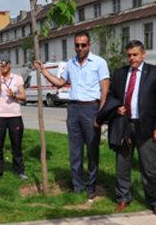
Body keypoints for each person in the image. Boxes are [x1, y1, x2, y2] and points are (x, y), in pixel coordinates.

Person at [33, 30, 110, 200]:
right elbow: (61, 82)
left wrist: (101, 113)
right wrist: (44, 71)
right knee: (75, 150)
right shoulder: (71, 63)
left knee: (92, 149)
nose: (80, 48)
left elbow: (105, 88)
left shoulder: (99, 63)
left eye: (83, 45)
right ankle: (77, 186)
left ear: (89, 45)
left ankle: (91, 186)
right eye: (77, 45)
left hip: (91, 107)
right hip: (73, 108)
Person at [109, 40, 156, 216]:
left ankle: (155, 200)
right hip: (124, 125)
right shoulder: (119, 73)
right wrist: (116, 107)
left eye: (135, 55)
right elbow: (112, 95)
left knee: (149, 167)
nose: (132, 58)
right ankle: (123, 198)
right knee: (123, 165)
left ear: (143, 54)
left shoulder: (155, 72)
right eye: (129, 55)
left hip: (146, 127)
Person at [0, 59, 27, 181]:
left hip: (14, 115)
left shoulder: (17, 78)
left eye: (5, 64)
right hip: (0, 116)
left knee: (16, 145)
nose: (3, 66)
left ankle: (19, 170)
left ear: (10, 65)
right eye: (0, 64)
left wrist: (15, 96)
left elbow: (24, 96)